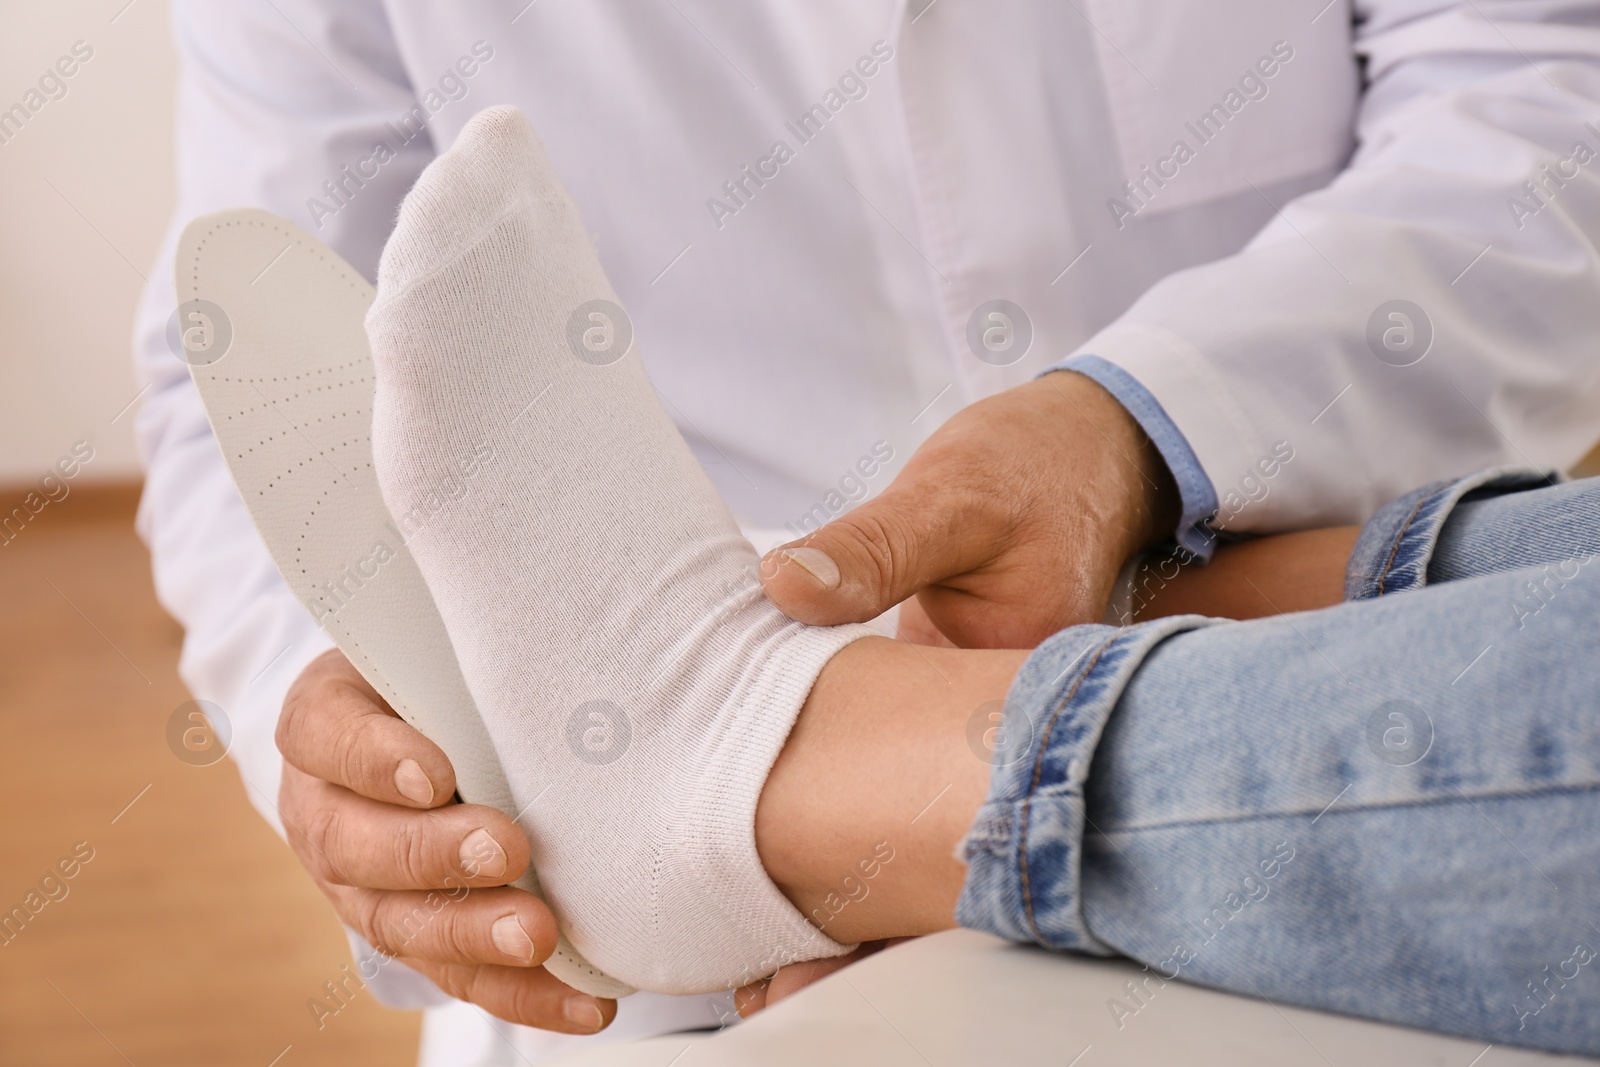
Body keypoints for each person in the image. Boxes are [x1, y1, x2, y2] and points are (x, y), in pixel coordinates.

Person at [133, 1, 1600, 1061]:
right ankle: (1157, 633)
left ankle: (778, 765)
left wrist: (1138, 436)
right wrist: (403, 761)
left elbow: (1543, 90)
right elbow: (257, 402)